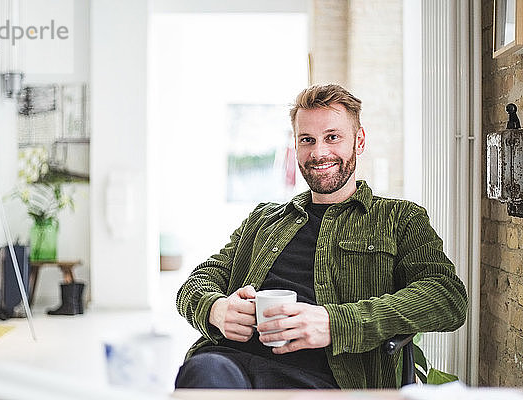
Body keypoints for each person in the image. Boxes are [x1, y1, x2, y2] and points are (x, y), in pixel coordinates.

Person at [174, 84, 468, 389]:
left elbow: (447, 297)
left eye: (332, 137)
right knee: (203, 375)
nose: (319, 152)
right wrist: (215, 309)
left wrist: (333, 324)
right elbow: (197, 281)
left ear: (359, 141)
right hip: (228, 365)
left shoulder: (399, 219)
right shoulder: (263, 220)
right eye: (307, 140)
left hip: (322, 381)